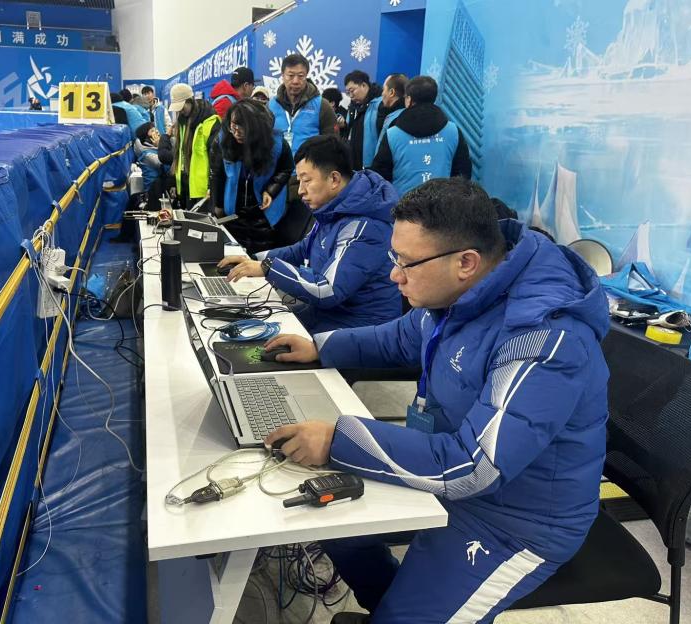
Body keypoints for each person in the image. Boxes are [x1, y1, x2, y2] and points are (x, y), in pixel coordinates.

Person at [260, 177, 610, 623]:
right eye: (394, 258)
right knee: (332, 524)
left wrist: (338, 441)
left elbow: (476, 467)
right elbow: (401, 337)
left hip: (516, 520)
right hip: (455, 476)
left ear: (466, 262)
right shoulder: (465, 291)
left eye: (406, 263)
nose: (394, 275)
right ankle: (395, 606)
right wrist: (319, 346)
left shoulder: (544, 337)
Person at [219, 135, 401, 332]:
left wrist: (268, 268)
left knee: (265, 336)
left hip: (359, 328)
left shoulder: (365, 226)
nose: (300, 191)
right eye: (299, 181)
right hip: (329, 315)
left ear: (334, 179)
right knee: (252, 320)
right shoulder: (336, 208)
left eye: (306, 181)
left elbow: (327, 290)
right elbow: (302, 249)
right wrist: (253, 260)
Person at [209, 99, 294, 253]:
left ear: (256, 128)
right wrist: (218, 206)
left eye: (243, 130)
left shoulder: (277, 143)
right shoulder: (222, 140)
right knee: (232, 254)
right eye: (233, 127)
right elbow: (217, 175)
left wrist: (271, 190)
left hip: (265, 214)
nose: (236, 134)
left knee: (260, 257)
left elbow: (286, 168)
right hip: (232, 211)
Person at [371, 75, 472, 196]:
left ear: (409, 99)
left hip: (402, 205)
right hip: (443, 203)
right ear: (434, 97)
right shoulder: (453, 131)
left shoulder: (392, 134)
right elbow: (463, 174)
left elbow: (380, 176)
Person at [269, 54, 337, 157]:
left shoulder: (322, 106)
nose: (295, 81)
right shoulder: (271, 106)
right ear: (282, 76)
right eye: (291, 75)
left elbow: (332, 144)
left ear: (306, 76)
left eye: (301, 76)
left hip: (309, 166)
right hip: (278, 166)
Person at [168, 83, 221, 209]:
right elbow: (180, 153)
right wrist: (175, 181)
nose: (180, 111)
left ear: (190, 101)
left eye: (182, 107)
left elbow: (216, 158)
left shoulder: (210, 122)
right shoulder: (182, 121)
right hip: (188, 186)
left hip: (204, 190)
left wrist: (212, 186)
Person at [343, 70, 383, 170]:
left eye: (352, 90)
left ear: (364, 85)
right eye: (348, 93)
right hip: (354, 163)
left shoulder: (380, 104)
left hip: (372, 165)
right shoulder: (352, 107)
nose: (351, 96)